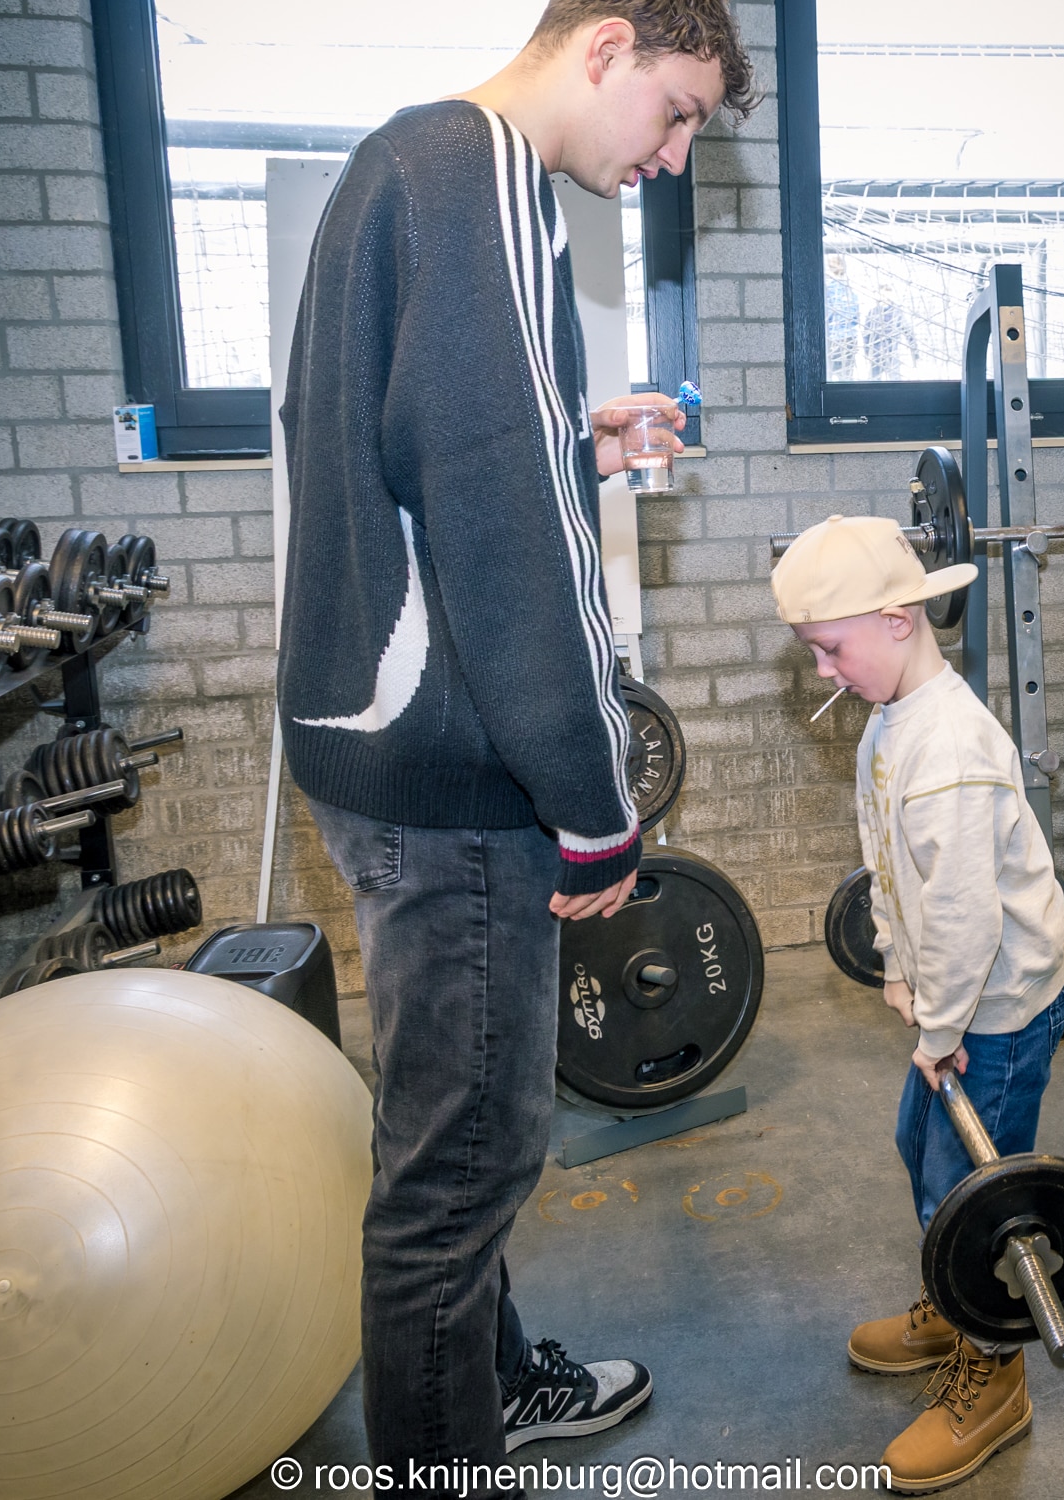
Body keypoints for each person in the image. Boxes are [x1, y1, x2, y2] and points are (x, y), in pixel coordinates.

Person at [276, 4, 757, 1496]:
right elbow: (505, 535)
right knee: (456, 1182)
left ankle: (492, 1385)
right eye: (675, 112)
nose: (669, 157)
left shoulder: (398, 164)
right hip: (455, 769)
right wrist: (592, 795)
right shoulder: (477, 166)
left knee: (446, 1133)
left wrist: (567, 441)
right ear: (605, 47)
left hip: (377, 747)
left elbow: (424, 454)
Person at [770, 515, 1064, 1494]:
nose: (822, 670)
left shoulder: (945, 748)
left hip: (999, 1009)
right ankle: (948, 1306)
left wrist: (940, 1024)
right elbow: (889, 868)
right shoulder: (891, 721)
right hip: (956, 998)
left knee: (978, 1199)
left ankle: (993, 1372)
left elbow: (961, 918)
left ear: (897, 621)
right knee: (922, 1151)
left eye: (831, 648)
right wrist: (898, 969)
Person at [863, 283, 918, 379]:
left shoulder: (897, 312)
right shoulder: (872, 312)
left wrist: (915, 351)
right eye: (882, 294)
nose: (885, 297)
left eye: (887, 294)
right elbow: (866, 334)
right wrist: (867, 352)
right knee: (874, 381)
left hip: (892, 354)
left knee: (895, 380)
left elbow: (908, 332)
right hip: (876, 354)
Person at [824, 253, 860, 379]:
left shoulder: (828, 290)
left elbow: (826, 316)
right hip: (850, 338)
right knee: (846, 377)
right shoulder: (850, 290)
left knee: (828, 376)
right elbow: (855, 318)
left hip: (833, 338)